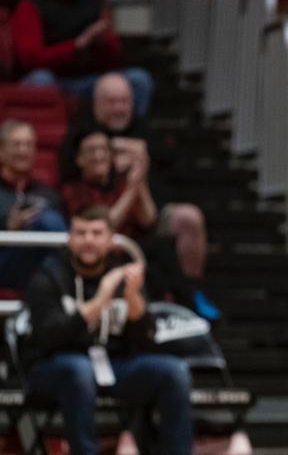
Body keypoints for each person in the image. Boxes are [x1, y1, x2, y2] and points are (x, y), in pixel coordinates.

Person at [22, 206, 193, 455]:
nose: (88, 240)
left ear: (111, 239)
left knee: (173, 371)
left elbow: (146, 340)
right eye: (80, 233)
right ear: (70, 237)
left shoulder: (123, 274)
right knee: (78, 369)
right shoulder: (49, 276)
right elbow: (49, 337)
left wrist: (134, 301)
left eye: (96, 233)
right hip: (54, 368)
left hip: (112, 365)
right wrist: (101, 298)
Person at [61, 73, 218, 320]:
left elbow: (149, 220)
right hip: (101, 233)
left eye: (124, 101)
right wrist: (131, 185)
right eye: (111, 102)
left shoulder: (146, 131)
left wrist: (139, 173)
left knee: (167, 239)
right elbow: (104, 221)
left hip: (139, 226)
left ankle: (190, 296)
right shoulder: (77, 162)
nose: (118, 108)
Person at [11, 0, 153, 117]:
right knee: (40, 79)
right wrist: (77, 46)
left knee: (139, 79)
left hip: (89, 80)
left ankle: (130, 135)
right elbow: (30, 60)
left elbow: (115, 57)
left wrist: (103, 42)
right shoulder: (30, 6)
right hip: (54, 80)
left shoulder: (93, 3)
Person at [0, 120, 67, 292]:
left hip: (41, 267)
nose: (23, 151)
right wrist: (7, 226)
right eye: (16, 145)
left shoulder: (48, 193)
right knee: (46, 219)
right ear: (1, 151)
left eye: (29, 145)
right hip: (5, 262)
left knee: (47, 220)